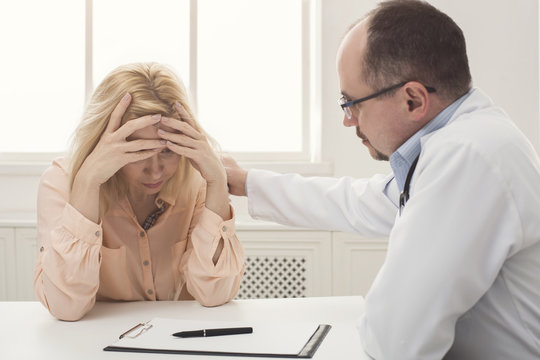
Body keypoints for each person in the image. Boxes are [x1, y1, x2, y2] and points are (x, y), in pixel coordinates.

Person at [224, 1, 540, 359]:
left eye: (351, 102)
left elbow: (395, 340)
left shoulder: (469, 156)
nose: (347, 120)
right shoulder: (461, 144)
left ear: (412, 100)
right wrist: (245, 182)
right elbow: (355, 200)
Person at [34, 62, 245, 321]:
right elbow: (65, 307)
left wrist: (216, 181)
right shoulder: (60, 182)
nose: (155, 171)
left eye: (167, 151)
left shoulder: (196, 183)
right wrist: (87, 183)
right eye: (138, 152)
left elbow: (215, 294)